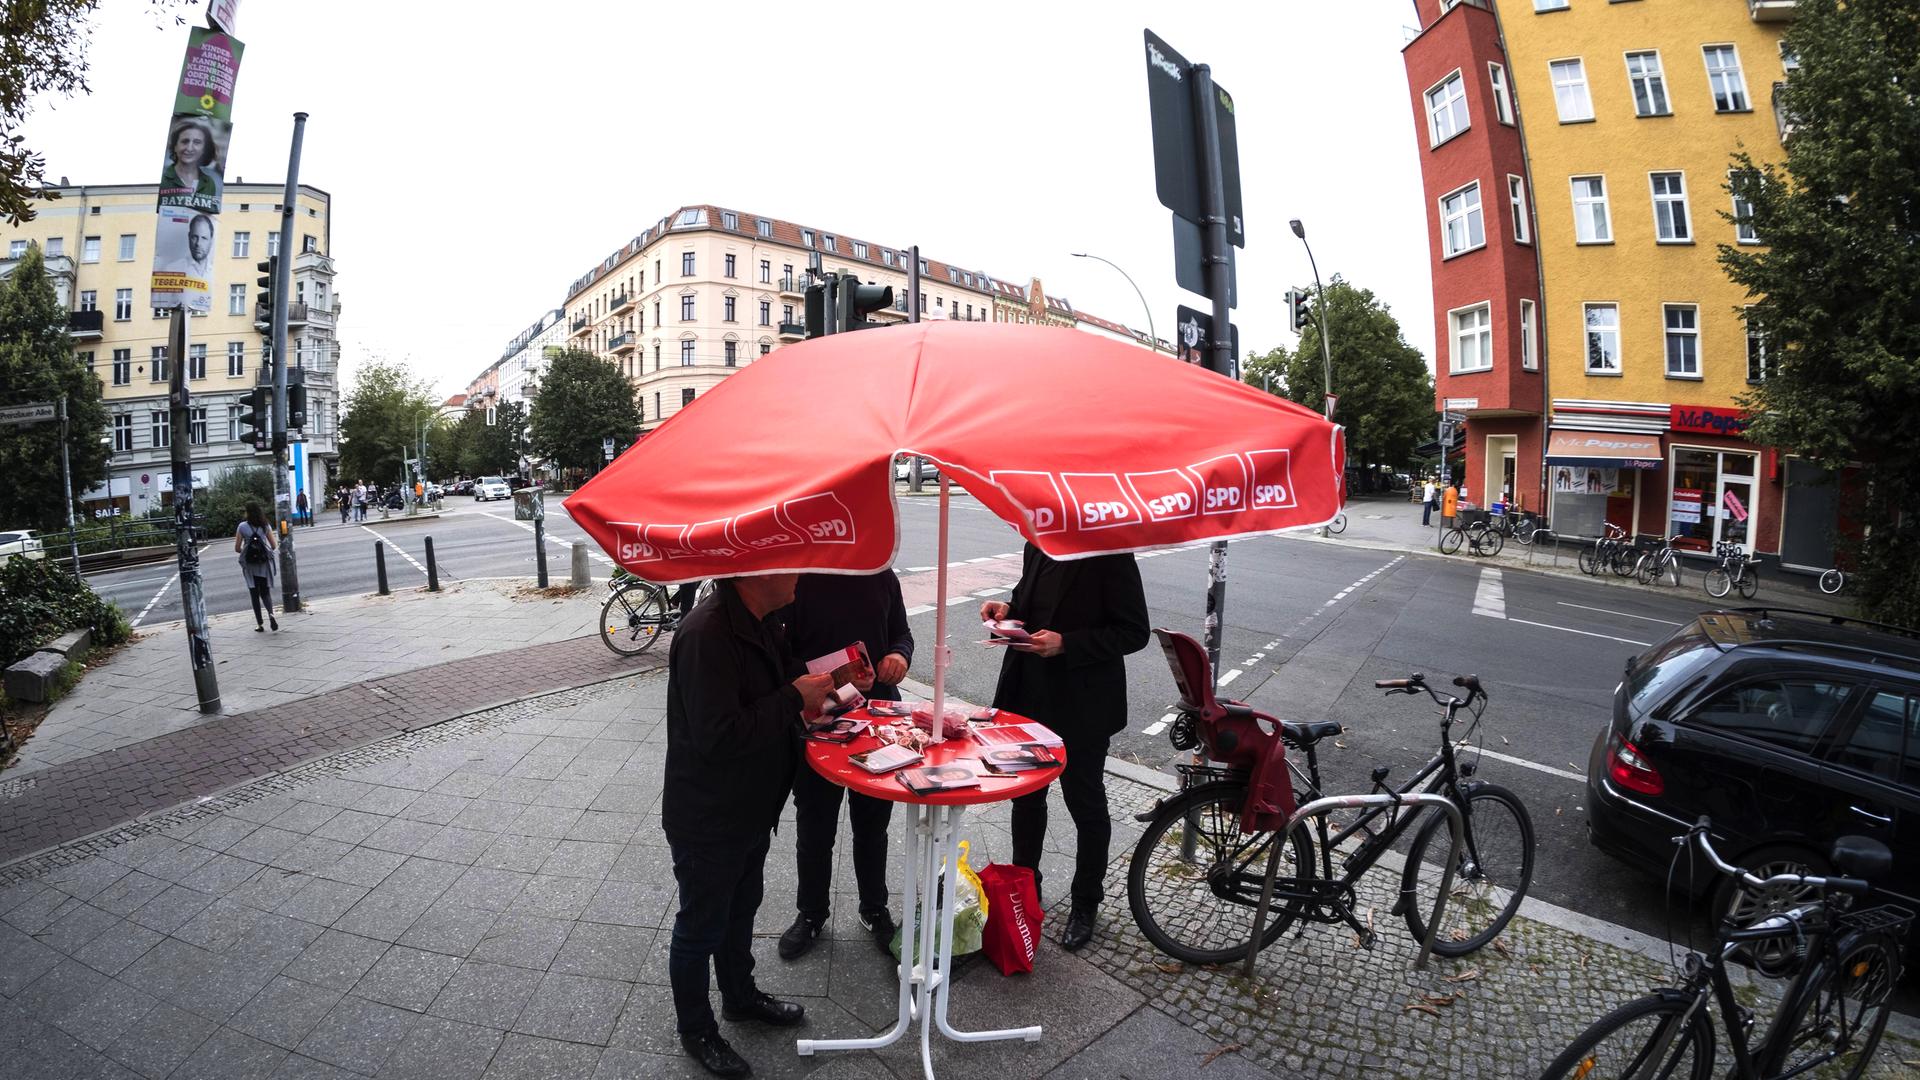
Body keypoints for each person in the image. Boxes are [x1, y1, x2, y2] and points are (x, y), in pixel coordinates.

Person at [665, 574, 834, 1079]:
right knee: (700, 927)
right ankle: (696, 1030)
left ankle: (739, 997)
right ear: (760, 573)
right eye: (792, 565)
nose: (800, 575)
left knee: (741, 911)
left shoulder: (763, 620)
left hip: (751, 807)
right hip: (709, 815)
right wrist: (792, 699)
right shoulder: (705, 634)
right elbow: (718, 735)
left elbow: (785, 679)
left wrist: (835, 677)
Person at [981, 542, 1148, 951]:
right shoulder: (1036, 544)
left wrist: (1067, 643)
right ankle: (1025, 887)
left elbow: (1134, 631)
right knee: (1027, 799)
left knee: (1085, 804)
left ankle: (1086, 902)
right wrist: (1006, 612)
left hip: (1083, 705)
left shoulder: (1111, 553)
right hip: (1027, 697)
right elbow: (1025, 603)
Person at [774, 571, 913, 961]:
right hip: (817, 718)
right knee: (815, 824)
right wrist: (839, 675)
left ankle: (874, 908)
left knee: (873, 824)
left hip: (877, 720)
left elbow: (902, 632)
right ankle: (811, 913)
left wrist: (899, 655)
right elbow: (781, 657)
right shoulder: (798, 580)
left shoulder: (882, 576)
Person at [234, 501, 279, 632]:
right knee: (265, 593)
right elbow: (274, 546)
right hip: (264, 564)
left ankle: (260, 624)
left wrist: (247, 550)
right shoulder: (265, 526)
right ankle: (271, 615)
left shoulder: (242, 527)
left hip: (250, 566)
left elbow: (237, 548)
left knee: (254, 594)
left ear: (247, 512)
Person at [159, 118, 220, 211]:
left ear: (204, 149)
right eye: (185, 141)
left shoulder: (210, 183)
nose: (189, 148)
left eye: (197, 142)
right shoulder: (162, 178)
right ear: (175, 147)